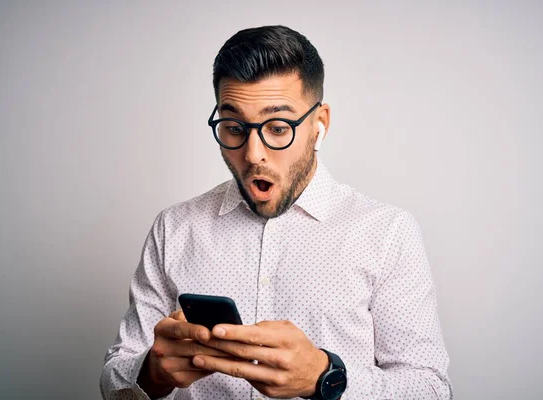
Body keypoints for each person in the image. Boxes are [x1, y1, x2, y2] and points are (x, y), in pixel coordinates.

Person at [100, 25, 452, 400]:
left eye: (279, 127)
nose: (253, 154)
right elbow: (114, 377)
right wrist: (152, 373)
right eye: (234, 127)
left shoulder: (386, 233)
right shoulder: (174, 228)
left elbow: (430, 389)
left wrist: (327, 378)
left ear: (320, 124)